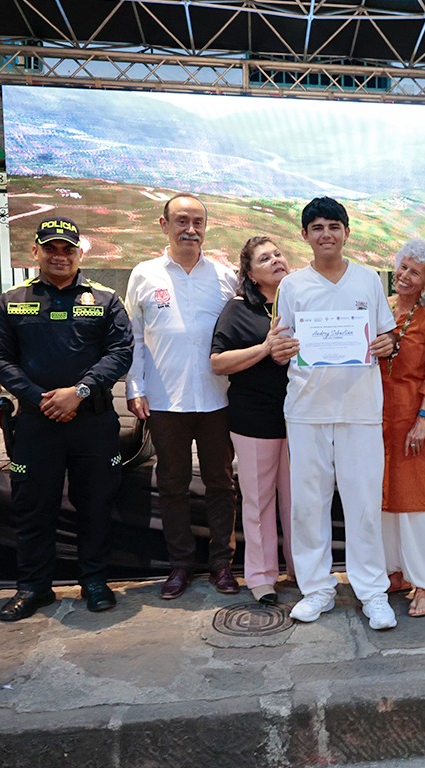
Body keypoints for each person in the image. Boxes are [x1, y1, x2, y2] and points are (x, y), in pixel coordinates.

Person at [0, 216, 133, 621]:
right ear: (35, 251)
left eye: (67, 249)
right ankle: (33, 587)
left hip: (93, 422)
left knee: (96, 505)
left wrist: (79, 392)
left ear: (79, 253)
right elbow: (0, 358)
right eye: (50, 248)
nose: (59, 256)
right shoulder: (11, 300)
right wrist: (40, 399)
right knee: (33, 507)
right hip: (36, 423)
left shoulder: (105, 299)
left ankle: (95, 582)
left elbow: (120, 353)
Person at [270, 196, 399, 630]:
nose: (326, 234)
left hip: (360, 408)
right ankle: (317, 589)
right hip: (307, 409)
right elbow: (279, 342)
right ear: (305, 235)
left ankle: (372, 592)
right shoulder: (292, 286)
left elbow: (387, 337)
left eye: (334, 226)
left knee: (364, 504)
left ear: (347, 232)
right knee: (308, 505)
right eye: (317, 227)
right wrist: (279, 350)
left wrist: (387, 344)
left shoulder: (368, 280)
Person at [125, 193, 239, 600]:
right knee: (172, 484)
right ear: (164, 225)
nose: (190, 229)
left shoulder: (225, 277)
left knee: (221, 483)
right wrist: (135, 387)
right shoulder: (144, 274)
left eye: (197, 222)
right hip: (165, 400)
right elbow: (135, 337)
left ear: (206, 228)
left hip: (217, 399)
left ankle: (222, 564)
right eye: (181, 221)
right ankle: (180, 565)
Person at [210, 236, 295, 605]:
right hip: (255, 419)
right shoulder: (239, 309)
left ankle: (303, 570)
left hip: (301, 418)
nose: (275, 260)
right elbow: (217, 362)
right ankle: (261, 577)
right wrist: (264, 348)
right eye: (264, 258)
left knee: (300, 502)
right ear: (250, 273)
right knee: (259, 502)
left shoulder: (301, 301)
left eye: (278, 254)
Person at [379, 239, 425, 619]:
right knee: (383, 497)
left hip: (415, 416)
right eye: (403, 267)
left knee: (416, 501)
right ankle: (395, 571)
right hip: (377, 415)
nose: (405, 276)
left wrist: (423, 418)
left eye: (415, 272)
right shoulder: (380, 308)